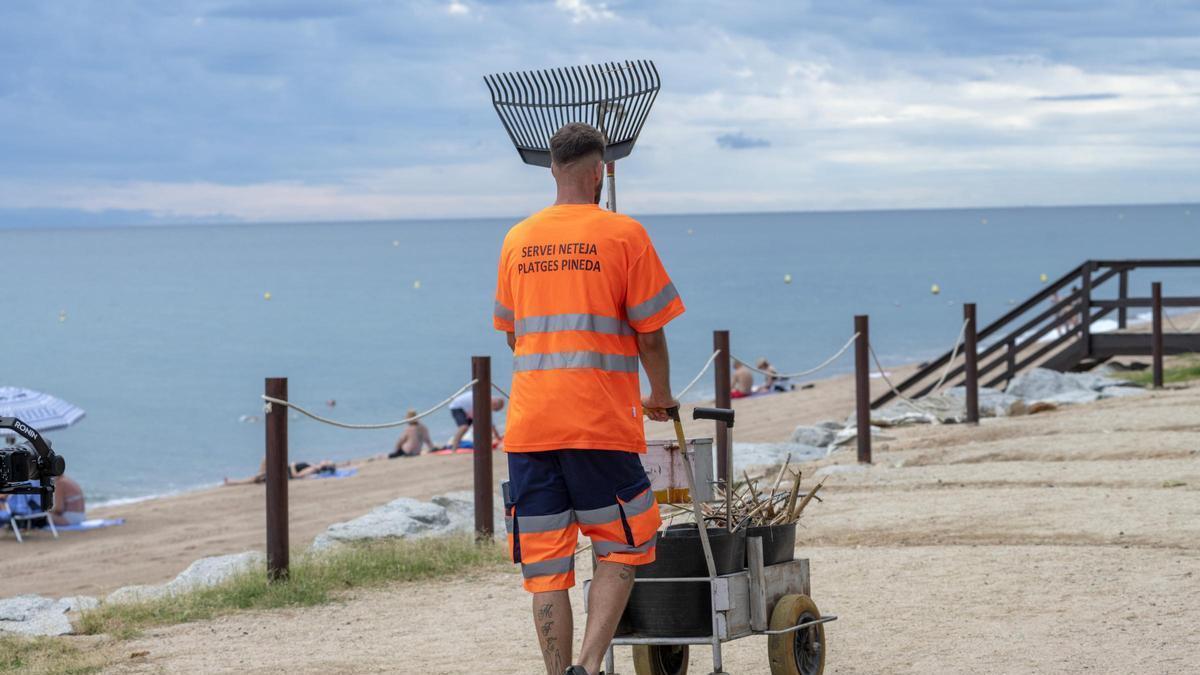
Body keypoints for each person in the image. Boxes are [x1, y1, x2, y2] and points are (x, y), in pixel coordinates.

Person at [493, 122, 683, 675]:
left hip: (530, 430)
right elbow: (650, 331)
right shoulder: (625, 235)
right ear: (600, 171)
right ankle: (589, 664)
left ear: (552, 169)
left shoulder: (517, 238)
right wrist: (661, 393)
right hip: (599, 425)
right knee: (622, 545)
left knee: (547, 566)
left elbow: (513, 332)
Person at [222, 458, 337, 486]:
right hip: (284, 470)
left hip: (284, 473)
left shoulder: (313, 469)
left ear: (324, 466)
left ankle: (232, 482)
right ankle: (232, 482)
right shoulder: (314, 466)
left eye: (327, 461)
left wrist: (292, 465)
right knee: (264, 461)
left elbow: (297, 475)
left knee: (254, 479)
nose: (325, 460)